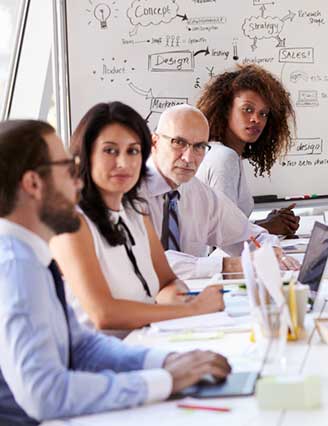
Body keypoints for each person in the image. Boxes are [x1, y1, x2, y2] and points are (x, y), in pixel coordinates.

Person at [0, 119, 230, 425]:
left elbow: (80, 346)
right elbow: (46, 394)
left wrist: (165, 362)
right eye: (69, 170)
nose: (79, 182)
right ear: (33, 184)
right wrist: (164, 381)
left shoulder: (31, 255)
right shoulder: (16, 267)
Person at [48, 102, 224, 338]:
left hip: (148, 340)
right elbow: (103, 314)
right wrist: (191, 309)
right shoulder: (72, 223)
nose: (123, 163)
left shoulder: (135, 213)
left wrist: (180, 300)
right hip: (101, 358)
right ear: (86, 154)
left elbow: (168, 282)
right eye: (110, 150)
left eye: (133, 151)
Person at [139, 104, 299, 280]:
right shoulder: (127, 190)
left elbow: (250, 235)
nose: (189, 158)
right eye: (179, 143)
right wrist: (230, 265)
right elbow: (144, 263)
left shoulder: (196, 192)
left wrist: (272, 253)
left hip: (190, 299)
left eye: (199, 146)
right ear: (154, 142)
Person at [196, 64, 299, 236]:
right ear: (225, 110)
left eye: (263, 114)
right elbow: (222, 238)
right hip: (214, 263)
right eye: (247, 109)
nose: (256, 119)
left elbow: (225, 225)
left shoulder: (223, 153)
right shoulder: (223, 157)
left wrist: (265, 223)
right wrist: (269, 227)